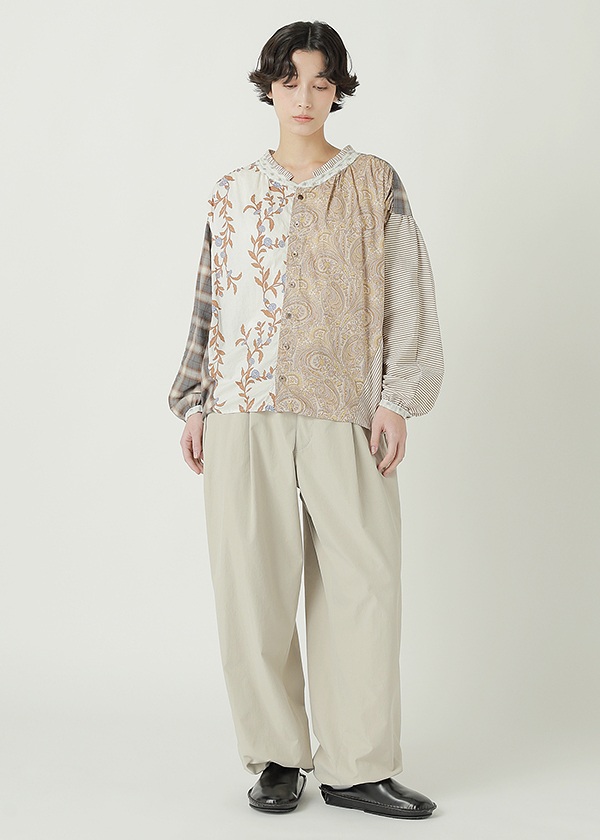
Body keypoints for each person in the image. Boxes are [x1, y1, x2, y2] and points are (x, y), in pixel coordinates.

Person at [168, 20, 444, 820]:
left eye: (320, 82)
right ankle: (277, 758)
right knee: (251, 587)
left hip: (344, 406)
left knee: (365, 584)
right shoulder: (230, 191)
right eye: (290, 80)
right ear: (269, 86)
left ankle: (357, 766)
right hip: (241, 407)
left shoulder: (375, 182)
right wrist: (194, 399)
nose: (304, 97)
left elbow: (410, 294)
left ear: (338, 91)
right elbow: (209, 300)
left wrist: (398, 397)